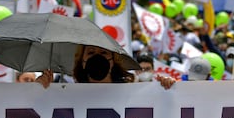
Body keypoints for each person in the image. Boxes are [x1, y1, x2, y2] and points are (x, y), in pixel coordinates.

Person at [36, 45, 175, 89]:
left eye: (103, 53)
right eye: (90, 53)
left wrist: (167, 90)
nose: (97, 57)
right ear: (82, 61)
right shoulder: (68, 93)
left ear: (113, 61)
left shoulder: (131, 90)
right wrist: (35, 91)